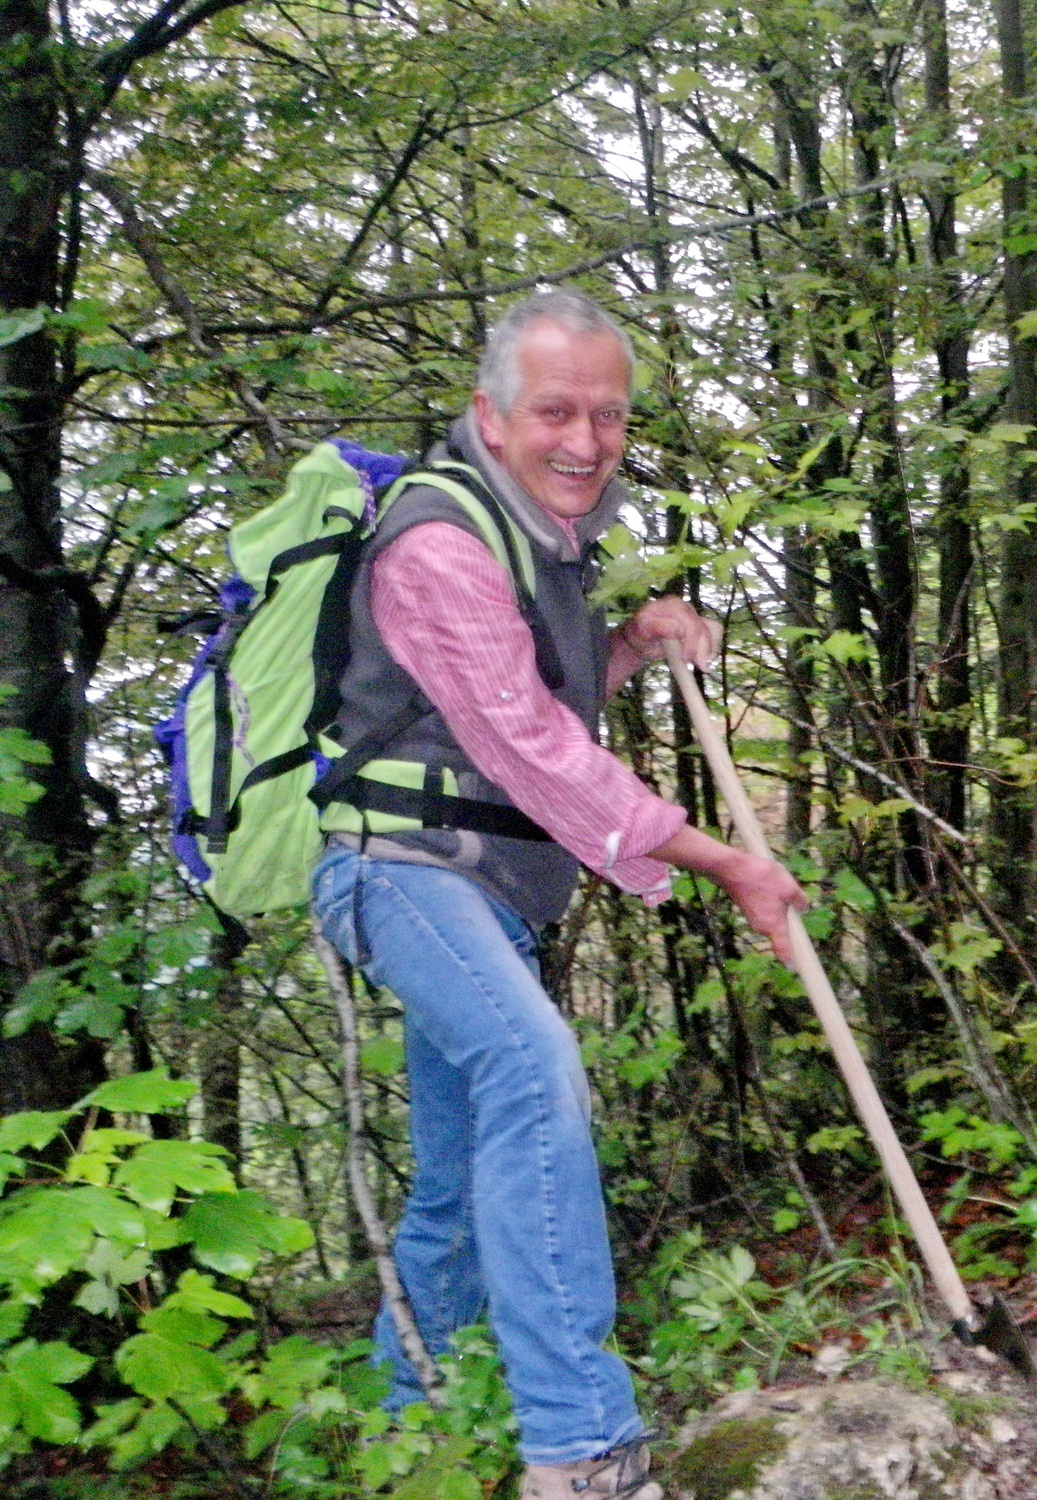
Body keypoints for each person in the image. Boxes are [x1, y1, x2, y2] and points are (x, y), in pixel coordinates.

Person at [311, 288, 803, 1500]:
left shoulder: (541, 541)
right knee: (535, 1075)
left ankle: (399, 1429)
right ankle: (579, 1446)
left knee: (460, 1163)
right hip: (402, 872)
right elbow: (531, 748)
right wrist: (724, 859)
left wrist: (629, 645)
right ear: (490, 412)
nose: (584, 440)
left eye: (608, 416)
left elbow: (505, 709)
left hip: (484, 887)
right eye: (555, 412)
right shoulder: (439, 543)